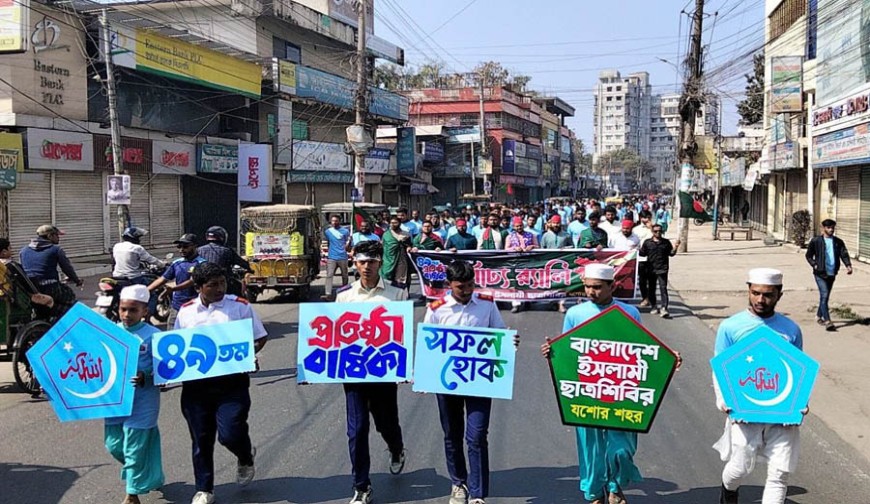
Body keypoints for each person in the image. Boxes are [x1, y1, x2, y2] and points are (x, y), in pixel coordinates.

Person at [541, 264, 681, 504]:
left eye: (597, 287)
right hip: (586, 390)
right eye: (587, 287)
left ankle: (615, 486)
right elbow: (568, 349)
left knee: (621, 448)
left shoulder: (629, 312)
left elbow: (640, 350)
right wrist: (551, 351)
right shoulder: (575, 314)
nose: (591, 292)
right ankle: (594, 492)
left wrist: (668, 358)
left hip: (621, 391)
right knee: (590, 448)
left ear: (611, 286)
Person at [175, 263, 268, 504]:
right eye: (212, 285)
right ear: (198, 287)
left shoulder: (239, 307)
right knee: (201, 439)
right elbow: (176, 349)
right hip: (196, 387)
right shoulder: (185, 312)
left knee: (230, 433)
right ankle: (204, 488)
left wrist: (248, 355)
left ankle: (245, 456)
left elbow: (260, 337)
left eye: (222, 283)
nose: (219, 288)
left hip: (232, 384)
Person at [426, 261, 516, 504]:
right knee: (452, 434)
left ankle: (477, 493)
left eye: (469, 285)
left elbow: (499, 333)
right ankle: (458, 483)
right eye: (460, 287)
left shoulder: (486, 303)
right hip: (447, 383)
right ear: (449, 285)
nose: (466, 291)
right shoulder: (436, 308)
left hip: (479, 380)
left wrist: (508, 342)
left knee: (476, 435)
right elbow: (428, 344)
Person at [713, 268, 805, 504]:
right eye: (755, 293)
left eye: (768, 295)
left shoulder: (791, 330)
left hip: (781, 416)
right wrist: (726, 402)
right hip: (744, 413)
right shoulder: (731, 327)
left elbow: (797, 371)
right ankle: (728, 491)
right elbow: (720, 368)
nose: (761, 300)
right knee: (740, 468)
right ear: (748, 291)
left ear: (779, 295)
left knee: (779, 474)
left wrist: (799, 403)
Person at [335, 241, 407, 504]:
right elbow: (335, 335)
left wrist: (405, 365)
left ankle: (396, 448)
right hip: (353, 373)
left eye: (372, 262)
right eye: (363, 262)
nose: (367, 267)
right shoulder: (344, 295)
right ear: (355, 262)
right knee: (357, 429)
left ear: (380, 263)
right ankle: (361, 486)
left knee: (386, 422)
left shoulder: (396, 293)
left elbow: (401, 334)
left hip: (383, 371)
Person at [104, 285, 165, 504]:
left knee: (134, 447)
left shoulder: (154, 336)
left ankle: (132, 494)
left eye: (132, 310)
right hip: (116, 401)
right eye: (123, 309)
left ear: (145, 311)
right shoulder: (109, 332)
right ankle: (149, 473)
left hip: (144, 400)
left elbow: (165, 371)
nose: (127, 315)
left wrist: (146, 375)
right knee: (114, 446)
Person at [19, 224, 82, 317]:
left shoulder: (23, 250)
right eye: (56, 235)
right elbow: (67, 268)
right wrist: (77, 280)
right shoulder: (56, 250)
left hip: (30, 289)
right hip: (49, 287)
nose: (58, 238)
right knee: (69, 296)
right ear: (49, 236)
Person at [147, 234, 206, 328]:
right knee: (171, 334)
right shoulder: (177, 263)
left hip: (196, 306)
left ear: (195, 246)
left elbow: (192, 281)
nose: (181, 249)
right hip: (177, 306)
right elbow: (163, 279)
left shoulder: (202, 264)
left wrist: (173, 289)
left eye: (185, 246)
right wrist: (146, 290)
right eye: (179, 246)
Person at [804, 219, 853, 331]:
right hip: (820, 273)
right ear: (823, 228)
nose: (831, 230)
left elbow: (843, 254)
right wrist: (814, 264)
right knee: (824, 295)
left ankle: (818, 316)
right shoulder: (816, 241)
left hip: (832, 273)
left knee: (824, 297)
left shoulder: (838, 242)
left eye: (832, 228)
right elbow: (808, 255)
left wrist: (848, 265)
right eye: (829, 227)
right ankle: (827, 321)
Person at [113, 226, 165, 315]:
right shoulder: (137, 248)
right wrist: (162, 264)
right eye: (138, 237)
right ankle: (147, 317)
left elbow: (123, 260)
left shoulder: (117, 246)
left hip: (117, 277)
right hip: (132, 278)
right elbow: (151, 259)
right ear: (134, 237)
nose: (139, 240)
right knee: (152, 293)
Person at [638, 224, 680, 318]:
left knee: (663, 288)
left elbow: (671, 254)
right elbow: (642, 254)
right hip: (651, 269)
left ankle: (664, 308)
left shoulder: (666, 242)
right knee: (651, 289)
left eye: (660, 231)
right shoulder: (647, 242)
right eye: (656, 231)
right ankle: (653, 306)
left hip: (662, 269)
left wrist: (676, 247)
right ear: (652, 232)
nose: (658, 233)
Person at [196, 226, 251, 296]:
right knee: (239, 294)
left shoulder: (199, 250)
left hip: (203, 283)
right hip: (222, 283)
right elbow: (242, 263)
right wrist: (250, 268)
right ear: (222, 237)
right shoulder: (227, 251)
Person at [506, 216, 538, 313]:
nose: (519, 228)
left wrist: (531, 246)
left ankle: (528, 301)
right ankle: (516, 304)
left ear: (523, 225)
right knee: (515, 283)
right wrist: (514, 249)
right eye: (517, 226)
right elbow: (506, 249)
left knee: (528, 282)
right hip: (514, 262)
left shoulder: (531, 235)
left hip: (528, 262)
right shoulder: (510, 236)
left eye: (520, 226)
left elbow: (538, 246)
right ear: (513, 227)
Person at [323, 215, 351, 300]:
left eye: (336, 221)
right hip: (332, 257)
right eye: (332, 221)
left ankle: (345, 292)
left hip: (343, 256)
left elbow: (348, 245)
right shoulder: (328, 231)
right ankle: (328, 294)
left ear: (340, 221)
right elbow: (327, 242)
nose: (334, 222)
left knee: (344, 275)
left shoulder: (345, 231)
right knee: (329, 275)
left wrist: (349, 242)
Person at [380, 215, 413, 288]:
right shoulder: (386, 234)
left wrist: (409, 247)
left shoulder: (406, 234)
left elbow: (410, 245)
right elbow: (382, 246)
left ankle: (401, 295)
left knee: (400, 280)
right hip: (388, 260)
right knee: (386, 278)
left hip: (401, 260)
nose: (393, 224)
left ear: (400, 223)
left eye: (395, 223)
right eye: (391, 223)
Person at [633, 211, 655, 308]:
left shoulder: (655, 228)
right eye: (645, 218)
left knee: (652, 280)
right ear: (641, 218)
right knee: (642, 280)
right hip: (641, 258)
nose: (647, 220)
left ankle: (651, 298)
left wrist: (651, 228)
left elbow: (660, 239)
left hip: (653, 258)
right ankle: (645, 298)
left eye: (649, 218)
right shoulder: (636, 230)